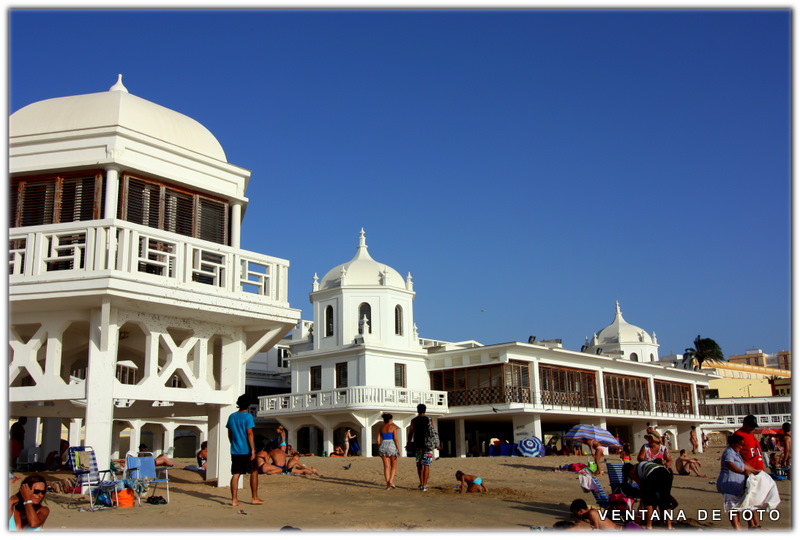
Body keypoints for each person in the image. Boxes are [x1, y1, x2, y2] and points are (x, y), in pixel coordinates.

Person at [717, 433, 762, 529]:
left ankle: (751, 526)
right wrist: (743, 472)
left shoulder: (736, 453)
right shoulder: (729, 452)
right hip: (729, 484)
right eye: (740, 444)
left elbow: (743, 464)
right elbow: (730, 464)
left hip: (737, 486)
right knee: (733, 510)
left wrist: (755, 471)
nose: (742, 447)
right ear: (734, 443)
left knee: (745, 506)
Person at [225, 394, 264, 506]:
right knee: (254, 471)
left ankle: (234, 500)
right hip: (246, 449)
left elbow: (230, 433)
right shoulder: (248, 417)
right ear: (248, 405)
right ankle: (254, 497)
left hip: (235, 449)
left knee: (236, 474)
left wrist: (232, 443)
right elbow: (250, 433)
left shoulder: (231, 416)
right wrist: (252, 449)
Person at [623, 461, 674, 529]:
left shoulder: (631, 470)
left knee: (648, 501)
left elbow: (641, 485)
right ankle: (669, 526)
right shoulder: (643, 464)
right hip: (666, 473)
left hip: (653, 474)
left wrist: (642, 500)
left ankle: (649, 525)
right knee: (666, 501)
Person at [406, 403, 439, 492]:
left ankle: (421, 483)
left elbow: (411, 432)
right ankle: (424, 484)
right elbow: (433, 432)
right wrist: (436, 444)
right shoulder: (429, 419)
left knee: (419, 465)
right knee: (426, 465)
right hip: (427, 445)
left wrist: (409, 443)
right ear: (425, 410)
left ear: (417, 410)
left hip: (418, 445)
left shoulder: (414, 420)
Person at [569, 498, 640, 530]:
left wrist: (580, 523)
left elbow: (596, 530)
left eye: (576, 514)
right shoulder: (593, 512)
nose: (576, 516)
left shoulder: (592, 513)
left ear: (581, 511)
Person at [377, 413, 398, 490]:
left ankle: (387, 485)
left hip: (383, 445)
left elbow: (378, 440)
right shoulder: (393, 427)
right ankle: (391, 481)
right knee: (393, 465)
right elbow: (395, 439)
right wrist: (398, 449)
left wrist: (381, 446)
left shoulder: (381, 428)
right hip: (391, 445)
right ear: (390, 420)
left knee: (386, 466)